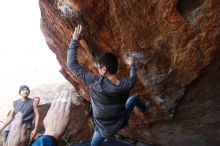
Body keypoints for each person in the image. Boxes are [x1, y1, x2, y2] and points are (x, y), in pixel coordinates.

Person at [67, 25, 150, 146]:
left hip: (103, 130)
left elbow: (72, 65)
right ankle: (144, 108)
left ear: (104, 69)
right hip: (121, 121)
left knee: (94, 145)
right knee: (134, 98)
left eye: (99, 67)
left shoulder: (95, 82)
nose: (97, 69)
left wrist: (74, 39)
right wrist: (132, 65)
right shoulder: (127, 84)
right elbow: (133, 78)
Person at [6, 90, 72, 146]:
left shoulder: (38, 109)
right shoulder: (29, 107)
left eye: (38, 101)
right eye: (35, 100)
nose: (37, 102)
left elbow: (36, 116)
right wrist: (48, 136)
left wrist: (36, 129)